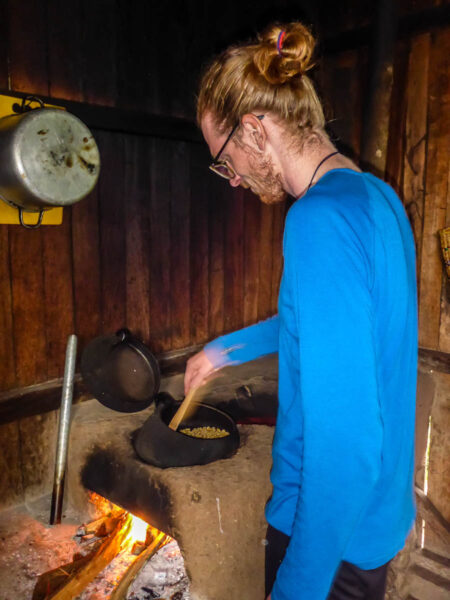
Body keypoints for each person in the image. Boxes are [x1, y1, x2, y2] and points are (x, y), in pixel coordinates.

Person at [184, 21, 417, 600]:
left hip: (330, 542)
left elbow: (347, 451)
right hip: (372, 524)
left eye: (224, 157)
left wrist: (298, 588)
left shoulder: (317, 222)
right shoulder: (376, 198)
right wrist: (224, 350)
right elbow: (321, 329)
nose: (231, 178)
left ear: (255, 129)